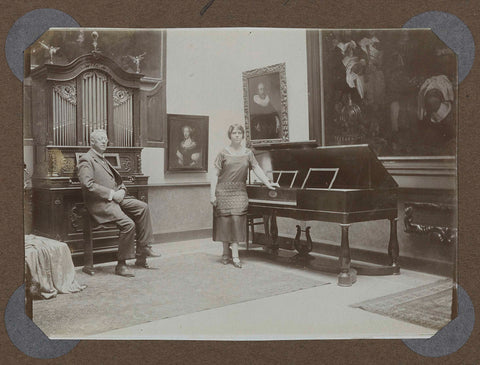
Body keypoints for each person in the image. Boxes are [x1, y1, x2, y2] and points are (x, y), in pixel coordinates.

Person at [77, 129, 160, 277]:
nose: (104, 141)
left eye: (105, 139)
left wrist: (122, 189)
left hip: (115, 199)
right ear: (92, 142)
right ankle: (121, 265)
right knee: (128, 224)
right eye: (100, 139)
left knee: (142, 207)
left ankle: (143, 249)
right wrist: (112, 194)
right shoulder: (86, 159)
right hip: (100, 204)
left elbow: (117, 181)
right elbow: (87, 185)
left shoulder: (103, 158)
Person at [210, 124, 279, 268]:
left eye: (239, 133)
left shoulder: (248, 153)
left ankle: (235, 256)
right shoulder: (223, 153)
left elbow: (257, 169)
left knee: (236, 221)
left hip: (239, 192)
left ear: (242, 135)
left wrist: (269, 184)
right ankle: (225, 252)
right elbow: (214, 175)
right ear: (230, 135)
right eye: (234, 133)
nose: (237, 135)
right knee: (225, 222)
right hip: (223, 192)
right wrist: (212, 195)